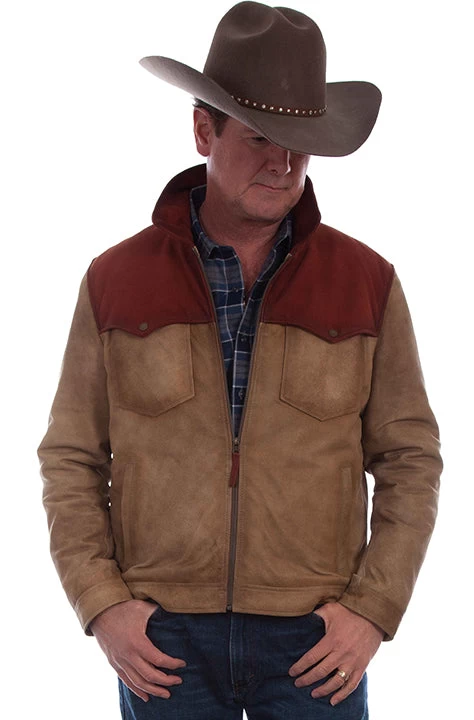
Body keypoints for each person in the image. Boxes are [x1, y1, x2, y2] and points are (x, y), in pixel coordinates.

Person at [38, 2, 442, 718]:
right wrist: (101, 603)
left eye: (299, 145)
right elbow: (71, 455)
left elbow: (410, 458)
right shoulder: (115, 279)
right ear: (204, 130)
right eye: (259, 137)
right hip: (163, 638)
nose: (282, 164)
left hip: (317, 639)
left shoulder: (367, 281)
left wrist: (371, 610)